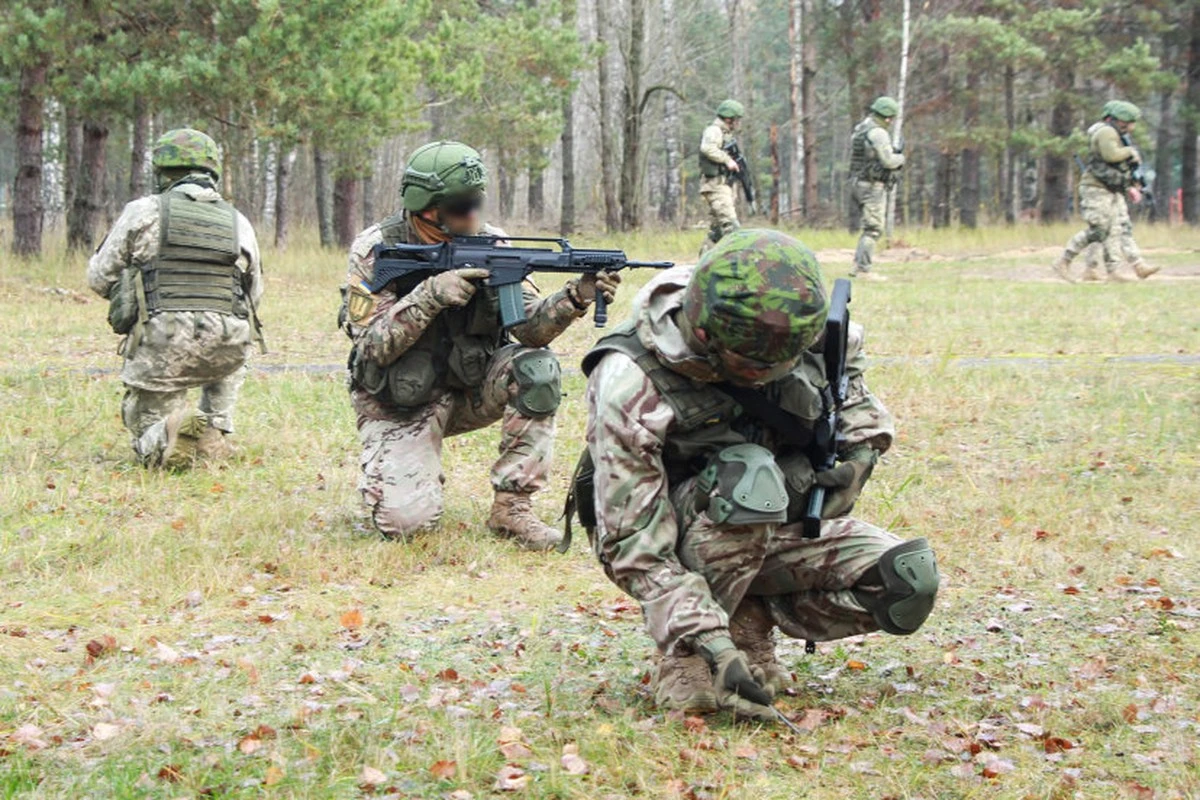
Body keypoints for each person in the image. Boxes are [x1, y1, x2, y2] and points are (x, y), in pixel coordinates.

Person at [579, 229, 938, 721]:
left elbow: (858, 411)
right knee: (749, 478)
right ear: (706, 336)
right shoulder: (630, 379)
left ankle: (751, 619)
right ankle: (685, 657)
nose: (776, 371)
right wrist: (710, 646)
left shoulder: (810, 331)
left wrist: (855, 462)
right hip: (664, 527)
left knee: (907, 582)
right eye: (756, 366)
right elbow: (633, 543)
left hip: (771, 518)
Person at [339, 141, 619, 550]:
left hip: (468, 386)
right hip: (398, 401)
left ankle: (512, 508)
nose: (473, 215)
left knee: (536, 366)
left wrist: (575, 298)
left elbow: (529, 330)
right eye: (460, 206)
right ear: (426, 208)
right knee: (408, 525)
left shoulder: (494, 244)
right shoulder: (376, 249)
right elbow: (372, 349)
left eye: (477, 203)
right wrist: (429, 295)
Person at [87, 128, 264, 469]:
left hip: (162, 343)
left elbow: (99, 278)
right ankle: (217, 427)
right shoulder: (237, 220)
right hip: (227, 345)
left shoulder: (142, 211)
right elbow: (254, 297)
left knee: (148, 439)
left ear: (161, 172)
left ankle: (166, 432)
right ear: (211, 172)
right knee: (237, 336)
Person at [1054, 101, 1158, 283]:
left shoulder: (1117, 134)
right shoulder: (1106, 132)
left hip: (1112, 187)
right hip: (1097, 188)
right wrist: (1130, 152)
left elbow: (1118, 167)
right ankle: (1064, 260)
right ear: (1115, 120)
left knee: (1118, 228)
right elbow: (1112, 156)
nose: (1130, 127)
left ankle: (1115, 270)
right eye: (1127, 122)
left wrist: (1130, 185)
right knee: (1100, 229)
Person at [849, 96, 905, 281]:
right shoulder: (878, 133)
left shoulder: (861, 129)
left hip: (858, 182)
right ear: (888, 117)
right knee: (873, 229)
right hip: (871, 185)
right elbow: (888, 161)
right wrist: (901, 158)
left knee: (868, 227)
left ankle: (857, 266)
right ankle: (864, 270)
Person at [698, 99, 746, 249]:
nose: (739, 123)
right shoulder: (714, 131)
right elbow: (707, 148)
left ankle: (704, 264)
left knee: (717, 233)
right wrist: (727, 160)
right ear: (728, 119)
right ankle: (735, 265)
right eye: (737, 119)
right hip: (715, 186)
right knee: (732, 227)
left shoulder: (726, 134)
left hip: (723, 186)